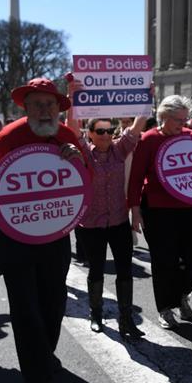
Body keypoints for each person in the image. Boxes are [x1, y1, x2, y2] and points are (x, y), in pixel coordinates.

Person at [0, 77, 87, 383]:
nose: (44, 110)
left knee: (53, 300)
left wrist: (78, 158)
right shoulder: (9, 137)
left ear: (59, 109)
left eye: (50, 104)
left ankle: (44, 355)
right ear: (26, 107)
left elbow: (83, 183)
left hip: (55, 237)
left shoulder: (67, 136)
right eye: (37, 104)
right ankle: (35, 380)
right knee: (24, 307)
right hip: (13, 238)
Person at [128, 95, 192, 329]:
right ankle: (165, 308)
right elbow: (135, 177)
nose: (182, 124)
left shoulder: (191, 136)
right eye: (177, 119)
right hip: (158, 210)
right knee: (165, 261)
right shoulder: (149, 139)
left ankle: (182, 294)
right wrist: (134, 210)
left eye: (185, 119)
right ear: (163, 117)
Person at [68, 110, 149, 337]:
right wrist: (72, 98)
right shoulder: (85, 152)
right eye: (100, 131)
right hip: (91, 225)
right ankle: (96, 314)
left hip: (118, 221)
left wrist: (145, 96)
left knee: (125, 270)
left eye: (109, 131)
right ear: (91, 134)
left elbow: (137, 125)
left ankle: (126, 319)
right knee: (96, 270)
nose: (106, 135)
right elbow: (72, 127)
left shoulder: (120, 149)